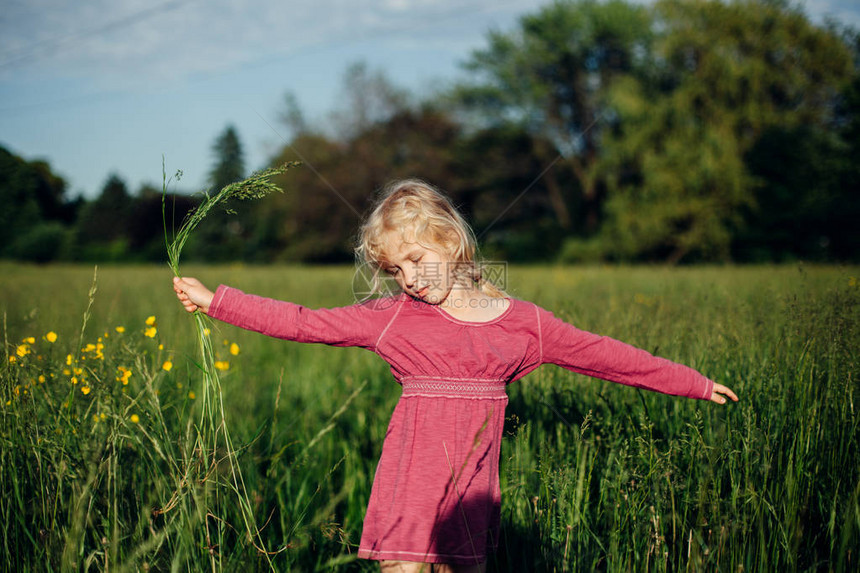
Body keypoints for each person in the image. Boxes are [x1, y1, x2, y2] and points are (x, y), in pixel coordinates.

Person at [172, 179, 738, 573]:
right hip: (410, 476)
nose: (409, 279)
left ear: (452, 240)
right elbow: (300, 322)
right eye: (395, 270)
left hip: (473, 488)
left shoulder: (524, 325)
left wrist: (690, 381)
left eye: (417, 260)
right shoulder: (392, 318)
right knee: (401, 565)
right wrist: (216, 299)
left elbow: (605, 355)